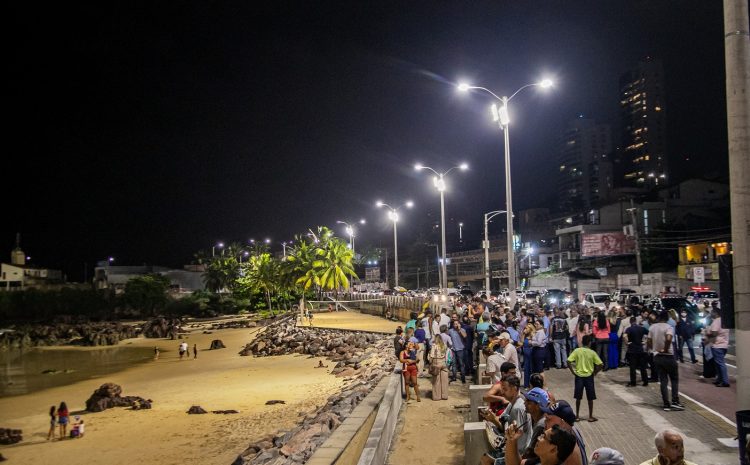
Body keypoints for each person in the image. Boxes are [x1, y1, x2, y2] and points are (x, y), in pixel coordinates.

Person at [647, 310, 685, 411]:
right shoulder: (669, 327)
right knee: (674, 379)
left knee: (663, 380)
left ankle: (666, 403)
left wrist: (653, 349)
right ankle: (675, 401)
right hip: (668, 355)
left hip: (657, 356)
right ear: (667, 318)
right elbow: (668, 338)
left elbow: (649, 341)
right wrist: (666, 348)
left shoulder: (652, 327)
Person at [567, 335, 603, 421]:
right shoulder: (592, 352)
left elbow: (568, 361)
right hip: (589, 377)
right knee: (590, 397)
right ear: (589, 343)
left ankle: (577, 416)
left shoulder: (577, 351)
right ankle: (590, 416)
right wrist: (595, 372)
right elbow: (601, 364)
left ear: (582, 342)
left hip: (579, 376)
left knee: (578, 397)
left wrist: (573, 372)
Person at [542, 400, 587, 465]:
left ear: (562, 423)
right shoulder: (573, 430)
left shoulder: (567, 450)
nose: (545, 422)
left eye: (548, 419)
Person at [505, 424, 577, 465]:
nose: (538, 438)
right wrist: (512, 440)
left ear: (553, 449)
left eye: (544, 437)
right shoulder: (540, 461)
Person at [707, 307, 730, 386]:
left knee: (720, 364)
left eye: (712, 312)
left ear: (716, 313)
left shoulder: (716, 321)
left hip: (717, 345)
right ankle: (719, 379)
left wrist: (707, 333)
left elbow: (714, 333)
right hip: (724, 344)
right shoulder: (724, 320)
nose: (710, 314)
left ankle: (725, 381)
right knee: (718, 364)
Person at [623, 317, 649, 387]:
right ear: (636, 321)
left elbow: (624, 336)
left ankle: (633, 382)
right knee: (643, 367)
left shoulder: (629, 329)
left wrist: (627, 343)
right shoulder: (641, 328)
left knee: (632, 367)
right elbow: (650, 334)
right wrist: (645, 342)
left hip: (632, 349)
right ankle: (645, 381)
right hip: (640, 349)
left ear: (630, 322)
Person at [428, 331, 449, 400]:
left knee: (436, 381)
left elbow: (431, 356)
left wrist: (430, 362)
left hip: (436, 363)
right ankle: (444, 395)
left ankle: (437, 396)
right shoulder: (444, 345)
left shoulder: (434, 346)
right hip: (443, 363)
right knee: (444, 381)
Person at [447, 317, 467, 383]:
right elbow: (447, 338)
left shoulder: (462, 330)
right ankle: (454, 377)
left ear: (459, 324)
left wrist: (459, 330)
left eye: (456, 324)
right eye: (454, 324)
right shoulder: (450, 331)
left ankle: (463, 378)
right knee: (454, 364)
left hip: (460, 349)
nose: (455, 325)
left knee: (461, 364)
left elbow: (465, 336)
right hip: (453, 349)